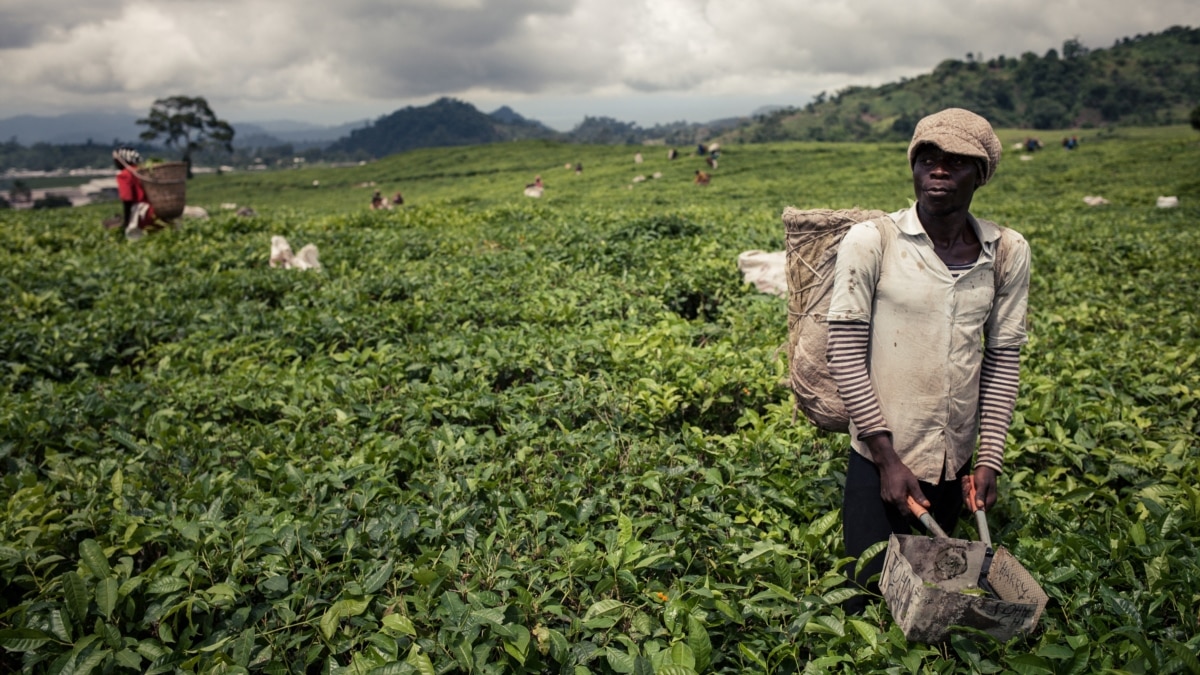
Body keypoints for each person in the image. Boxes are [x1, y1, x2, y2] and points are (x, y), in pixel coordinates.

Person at [825, 108, 1030, 614]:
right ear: (913, 167)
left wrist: (988, 460)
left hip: (952, 462)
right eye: (928, 158)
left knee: (936, 606)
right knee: (867, 598)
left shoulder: (1005, 251)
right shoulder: (874, 240)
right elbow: (845, 353)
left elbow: (1003, 360)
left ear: (980, 176)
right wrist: (888, 460)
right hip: (880, 461)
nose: (939, 169)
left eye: (957, 162)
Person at [112, 147, 158, 240]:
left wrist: (126, 223)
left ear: (123, 160)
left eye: (116, 160)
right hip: (156, 210)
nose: (115, 163)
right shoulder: (144, 171)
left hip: (142, 214)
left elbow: (127, 200)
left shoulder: (125, 174)